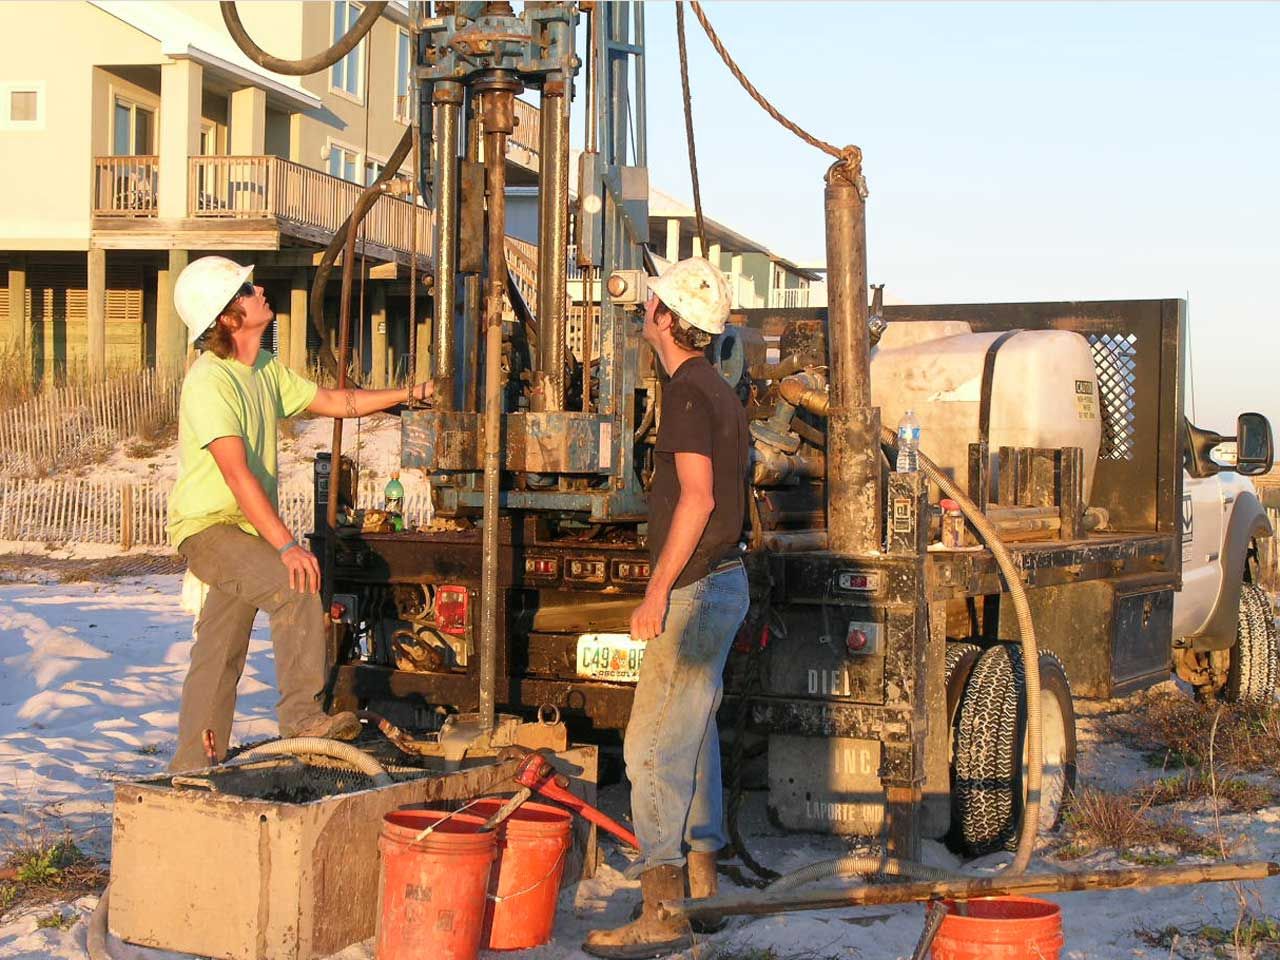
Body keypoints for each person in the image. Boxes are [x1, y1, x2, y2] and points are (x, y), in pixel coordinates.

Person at [166, 256, 432, 772]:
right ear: (227, 317)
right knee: (297, 583)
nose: (259, 289)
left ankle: (190, 768)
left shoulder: (261, 369)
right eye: (246, 289)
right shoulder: (210, 381)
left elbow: (335, 400)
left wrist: (409, 393)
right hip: (210, 529)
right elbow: (237, 474)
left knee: (220, 649)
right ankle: (302, 719)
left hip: (242, 530)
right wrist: (287, 546)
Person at [584, 258, 750, 959]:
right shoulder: (716, 386)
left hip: (695, 588)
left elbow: (700, 497)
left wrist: (656, 592)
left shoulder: (686, 392)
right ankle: (703, 889)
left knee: (650, 746)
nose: (644, 303)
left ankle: (661, 908)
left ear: (662, 316)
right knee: (695, 735)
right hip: (727, 580)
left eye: (652, 299)